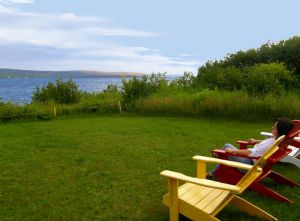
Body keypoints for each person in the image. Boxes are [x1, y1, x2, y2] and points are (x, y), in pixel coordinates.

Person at [206, 117, 294, 179]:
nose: (272, 128)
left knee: (226, 150)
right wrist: (256, 141)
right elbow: (266, 143)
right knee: (227, 146)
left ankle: (214, 168)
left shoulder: (272, 143)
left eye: (274, 128)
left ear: (280, 131)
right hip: (255, 163)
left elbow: (249, 152)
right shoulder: (278, 141)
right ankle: (214, 171)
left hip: (249, 166)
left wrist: (232, 151)